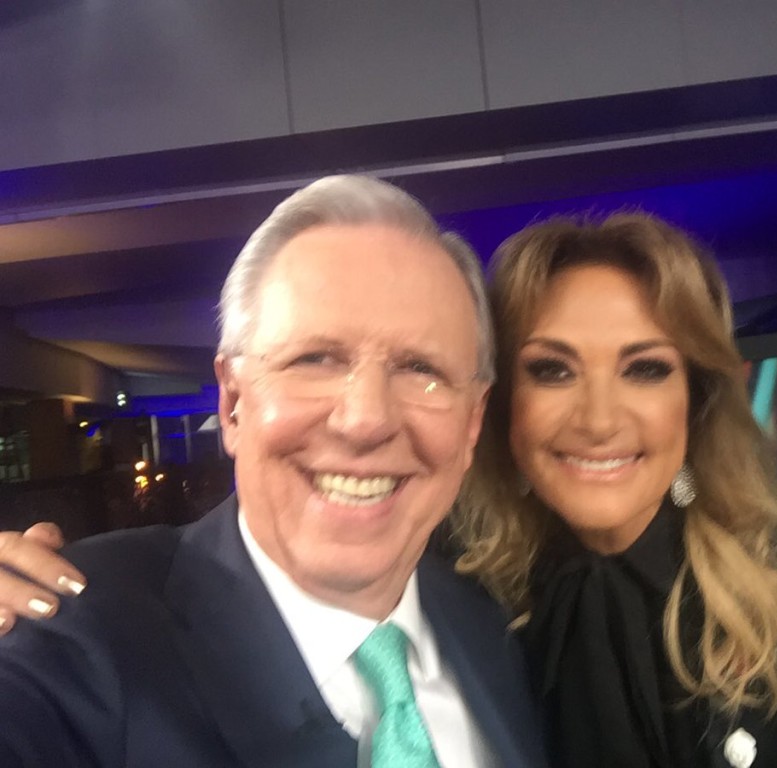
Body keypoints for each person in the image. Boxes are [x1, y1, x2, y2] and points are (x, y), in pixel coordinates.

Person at [0, 212, 777, 767]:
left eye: (645, 369)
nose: (599, 419)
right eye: (553, 370)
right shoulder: (441, 576)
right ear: (497, 407)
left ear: (699, 396)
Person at [0, 176, 547, 767]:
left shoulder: (495, 624)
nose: (365, 420)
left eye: (421, 369)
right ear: (233, 403)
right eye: (314, 359)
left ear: (472, 422)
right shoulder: (77, 637)